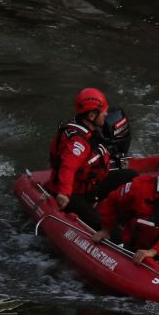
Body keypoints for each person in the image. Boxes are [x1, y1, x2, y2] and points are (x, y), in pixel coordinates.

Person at [93, 144, 159, 269]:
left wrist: (153, 251)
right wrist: (106, 229)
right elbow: (112, 200)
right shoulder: (140, 187)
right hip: (131, 243)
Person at [47, 87, 136, 229]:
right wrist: (64, 193)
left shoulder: (88, 129)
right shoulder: (78, 142)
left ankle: (128, 216)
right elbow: (68, 167)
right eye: (103, 111)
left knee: (133, 176)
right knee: (107, 227)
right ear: (92, 116)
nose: (106, 114)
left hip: (90, 186)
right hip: (74, 195)